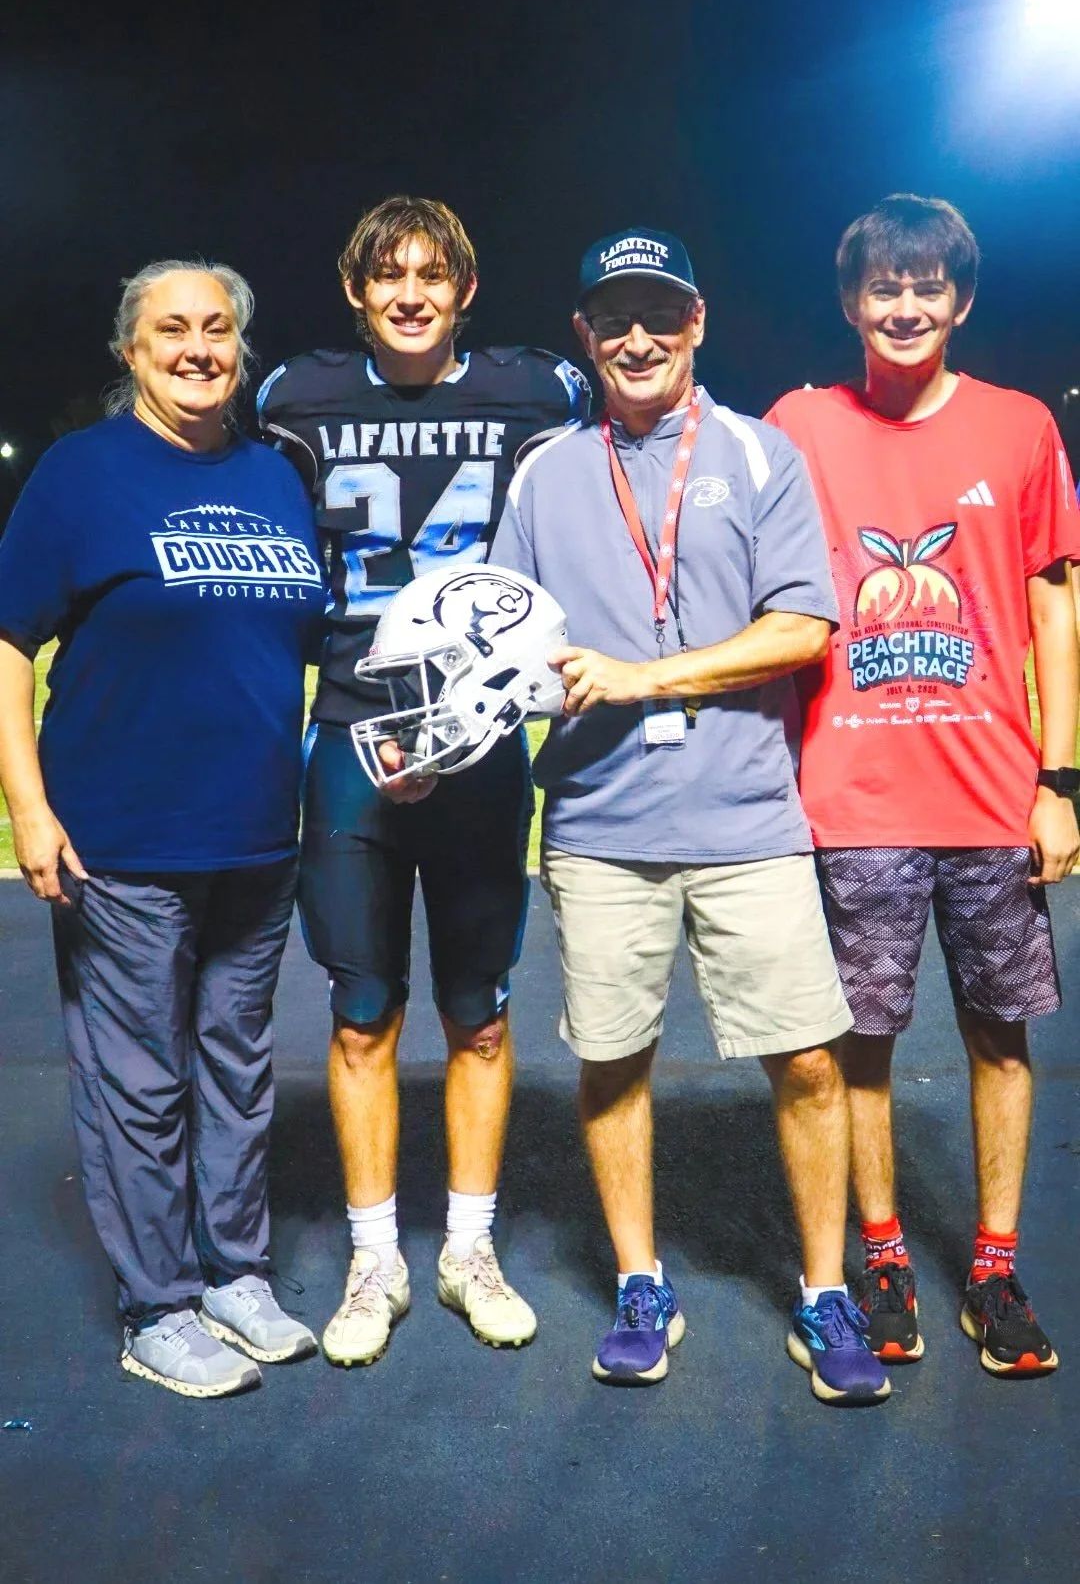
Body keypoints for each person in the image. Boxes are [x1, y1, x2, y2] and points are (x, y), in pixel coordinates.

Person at [491, 227, 889, 1403]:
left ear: (697, 321)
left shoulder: (761, 455)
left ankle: (823, 1294)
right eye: (613, 315)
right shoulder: (546, 472)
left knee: (809, 1061)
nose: (637, 336)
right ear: (584, 335)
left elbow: (804, 629)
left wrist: (642, 676)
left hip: (746, 816)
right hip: (601, 824)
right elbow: (511, 636)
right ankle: (637, 1280)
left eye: (659, 312)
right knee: (613, 1063)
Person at [257, 197, 590, 1364]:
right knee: (361, 1016)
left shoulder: (536, 394)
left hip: (484, 738)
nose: (409, 292)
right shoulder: (296, 398)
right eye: (387, 274)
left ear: (465, 287)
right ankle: (373, 1256)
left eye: (430, 273)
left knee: (480, 1016)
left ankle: (469, 1246)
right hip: (353, 730)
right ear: (355, 291)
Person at [766, 193, 1080, 1376]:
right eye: (883, 288)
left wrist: (1060, 777)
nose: (906, 306)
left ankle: (994, 1268)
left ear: (959, 300)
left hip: (993, 796)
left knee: (1002, 1038)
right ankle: (883, 1251)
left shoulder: (1018, 425)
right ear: (852, 302)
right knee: (862, 1044)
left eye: (927, 286)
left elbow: (1057, 596)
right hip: (852, 798)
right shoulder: (798, 420)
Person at [0, 261, 324, 1397]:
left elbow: (307, 647)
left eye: (218, 327)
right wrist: (28, 805)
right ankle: (157, 1305)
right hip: (123, 841)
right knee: (138, 1083)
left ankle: (236, 1274)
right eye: (171, 329)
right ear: (130, 351)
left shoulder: (279, 475)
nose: (198, 347)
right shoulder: (82, 475)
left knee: (238, 1072)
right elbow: (4, 643)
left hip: (254, 840)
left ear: (242, 345)